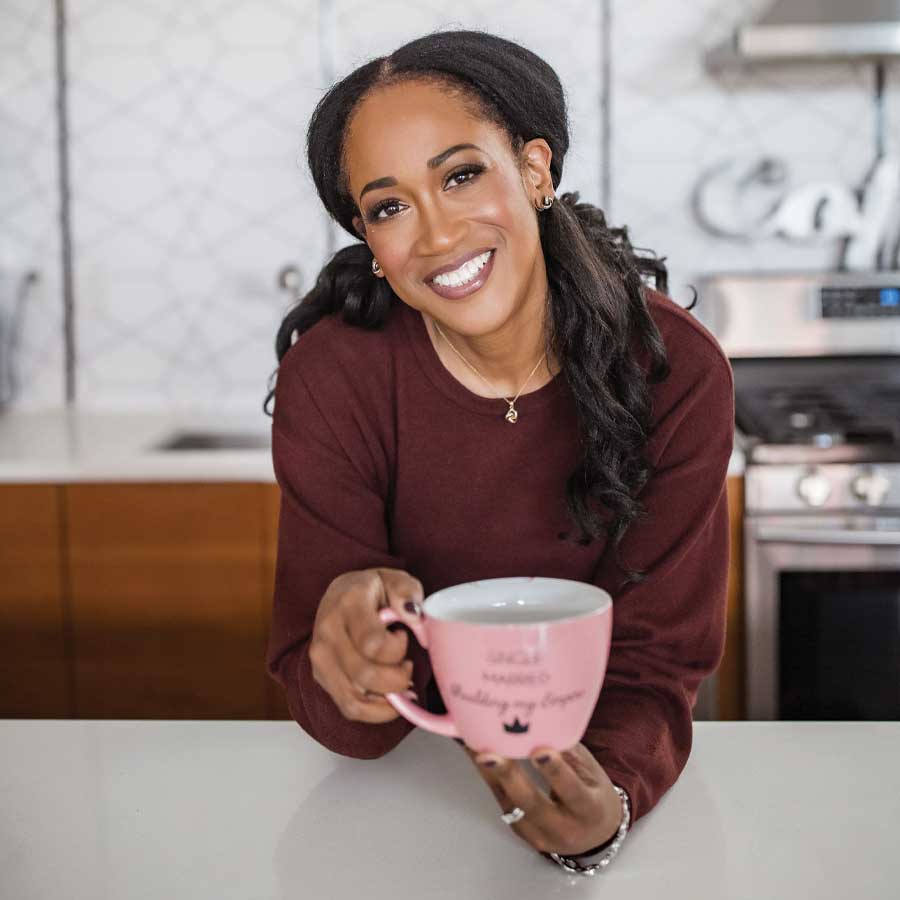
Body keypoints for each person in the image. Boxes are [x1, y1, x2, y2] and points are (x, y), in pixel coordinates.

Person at [263, 29, 734, 875]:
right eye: (389, 205)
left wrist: (608, 804)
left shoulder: (675, 371)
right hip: (391, 815)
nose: (437, 233)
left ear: (535, 170)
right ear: (370, 241)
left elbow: (656, 665)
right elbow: (346, 728)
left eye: (461, 174)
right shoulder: (334, 378)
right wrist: (350, 658)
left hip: (592, 777)